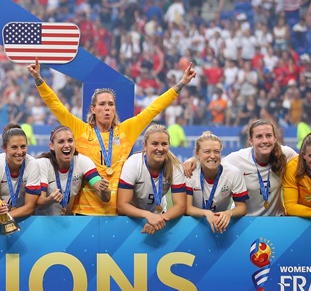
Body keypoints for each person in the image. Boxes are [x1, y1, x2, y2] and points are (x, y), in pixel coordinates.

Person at [27, 59, 196, 215]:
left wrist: (181, 84)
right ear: (93, 108)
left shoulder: (126, 131)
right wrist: (38, 80)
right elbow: (56, 106)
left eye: (110, 104)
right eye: (102, 104)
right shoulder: (80, 131)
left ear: (115, 108)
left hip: (117, 211)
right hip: (85, 212)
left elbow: (154, 109)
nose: (107, 108)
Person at [116, 125, 186, 234]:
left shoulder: (175, 166)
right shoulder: (133, 164)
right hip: (134, 218)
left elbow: (180, 205)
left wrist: (158, 219)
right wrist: (147, 215)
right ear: (145, 145)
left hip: (161, 218)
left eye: (164, 144)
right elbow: (122, 205)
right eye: (154, 144)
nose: (160, 148)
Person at [221, 119, 298, 216]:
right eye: (259, 137)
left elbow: (307, 163)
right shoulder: (238, 159)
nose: (265, 141)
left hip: (276, 221)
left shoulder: (286, 154)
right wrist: (196, 161)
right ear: (251, 141)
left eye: (268, 136)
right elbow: (212, 164)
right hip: (245, 222)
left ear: (275, 138)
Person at [36, 126, 108, 216]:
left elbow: (104, 196)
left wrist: (105, 190)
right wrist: (50, 200)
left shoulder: (83, 162)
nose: (67, 145)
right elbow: (39, 203)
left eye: (70, 141)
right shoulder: (42, 164)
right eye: (61, 141)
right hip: (40, 222)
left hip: (68, 222)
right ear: (51, 146)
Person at [184, 131, 248, 233]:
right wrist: (206, 213)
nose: (213, 156)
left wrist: (229, 213)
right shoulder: (189, 172)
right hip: (192, 225)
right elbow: (187, 208)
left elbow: (242, 207)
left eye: (217, 151)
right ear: (197, 154)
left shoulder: (233, 173)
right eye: (207, 152)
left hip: (221, 225)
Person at [0, 124, 40, 230]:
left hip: (24, 220)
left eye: (23, 146)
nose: (19, 152)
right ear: (4, 148)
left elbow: (30, 207)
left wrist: (3, 218)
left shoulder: (32, 164)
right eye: (14, 147)